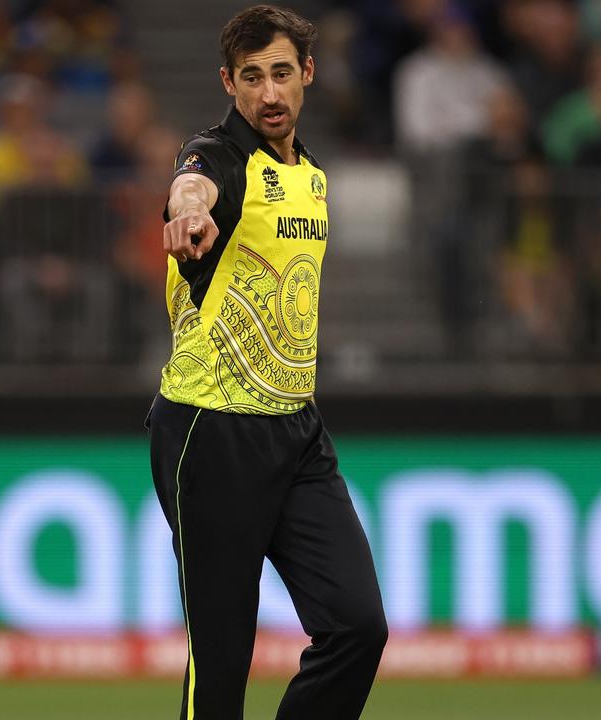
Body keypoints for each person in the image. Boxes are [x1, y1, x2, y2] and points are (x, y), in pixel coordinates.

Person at [147, 6, 387, 719]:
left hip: (296, 431)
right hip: (209, 433)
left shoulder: (311, 174)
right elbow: (194, 183)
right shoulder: (218, 154)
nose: (269, 94)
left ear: (307, 74)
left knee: (357, 626)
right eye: (251, 78)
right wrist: (189, 213)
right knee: (221, 670)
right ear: (229, 82)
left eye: (282, 73)